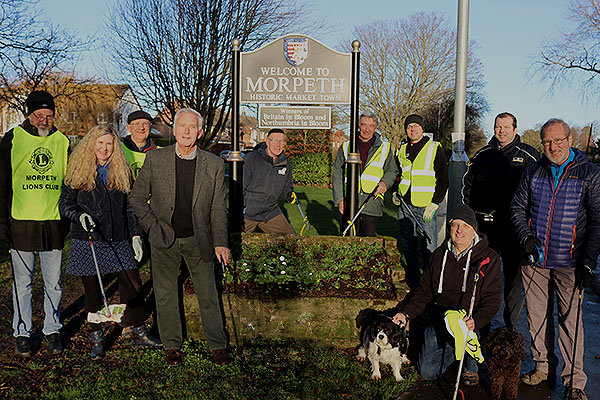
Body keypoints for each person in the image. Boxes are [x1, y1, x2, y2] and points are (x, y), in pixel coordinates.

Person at [130, 108, 231, 366]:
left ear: (200, 132)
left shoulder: (215, 165)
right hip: (165, 239)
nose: (187, 131)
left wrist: (221, 242)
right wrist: (153, 227)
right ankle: (172, 345)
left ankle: (217, 345)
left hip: (200, 239)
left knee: (208, 292)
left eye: (192, 127)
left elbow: (219, 207)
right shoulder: (156, 160)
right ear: (173, 130)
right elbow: (137, 199)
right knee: (165, 294)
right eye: (182, 126)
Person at [511, 118, 600, 400]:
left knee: (570, 322)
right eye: (547, 141)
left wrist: (588, 262)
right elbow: (516, 207)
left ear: (569, 139)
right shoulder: (534, 170)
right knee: (537, 318)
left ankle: (574, 381)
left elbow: (598, 220)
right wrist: (526, 237)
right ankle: (542, 367)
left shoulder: (589, 173)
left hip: (571, 262)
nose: (553, 146)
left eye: (558, 140)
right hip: (535, 261)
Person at [59, 125, 161, 360]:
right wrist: (79, 216)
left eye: (109, 144)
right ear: (91, 144)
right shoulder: (78, 170)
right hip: (89, 238)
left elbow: (129, 207)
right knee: (93, 292)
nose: (105, 148)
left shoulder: (121, 170)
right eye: (101, 143)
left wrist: (135, 235)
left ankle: (138, 330)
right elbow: (65, 203)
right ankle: (97, 337)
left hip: (119, 237)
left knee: (134, 285)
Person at [392, 204, 502, 386]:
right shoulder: (438, 256)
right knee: (427, 371)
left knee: (472, 342)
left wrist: (477, 320)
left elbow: (493, 300)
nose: (459, 230)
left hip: (470, 324)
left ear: (474, 230)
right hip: (441, 320)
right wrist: (406, 313)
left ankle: (469, 356)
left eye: (465, 226)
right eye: (455, 225)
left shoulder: (488, 259)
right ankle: (456, 349)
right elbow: (424, 292)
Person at [0, 90, 69, 357]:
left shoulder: (62, 141)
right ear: (30, 114)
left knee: (54, 283)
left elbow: (70, 184)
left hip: (52, 223)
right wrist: (2, 223)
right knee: (23, 284)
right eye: (39, 115)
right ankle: (22, 332)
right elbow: (2, 183)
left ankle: (52, 330)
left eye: (48, 115)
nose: (44, 120)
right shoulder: (12, 139)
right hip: (20, 222)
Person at [461, 112, 540, 329]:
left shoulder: (530, 157)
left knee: (513, 283)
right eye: (498, 126)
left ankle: (510, 329)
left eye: (506, 127)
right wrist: (469, 218)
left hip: (515, 231)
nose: (501, 131)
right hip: (486, 229)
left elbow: (540, 193)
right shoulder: (482, 156)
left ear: (515, 129)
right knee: (483, 278)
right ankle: (480, 326)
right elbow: (466, 188)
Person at [394, 114, 448, 290]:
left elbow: (443, 180)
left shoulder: (434, 148)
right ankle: (413, 280)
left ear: (422, 129)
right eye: (409, 126)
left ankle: (431, 283)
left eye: (416, 126)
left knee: (429, 247)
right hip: (404, 205)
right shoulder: (402, 150)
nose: (413, 129)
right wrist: (395, 191)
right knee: (408, 245)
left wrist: (435, 203)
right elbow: (398, 174)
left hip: (426, 206)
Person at [331, 111, 398, 236]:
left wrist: (384, 183)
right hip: (349, 200)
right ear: (358, 126)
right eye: (363, 125)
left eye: (371, 126)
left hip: (371, 201)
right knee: (346, 242)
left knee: (367, 244)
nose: (367, 129)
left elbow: (392, 170)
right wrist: (340, 199)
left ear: (375, 127)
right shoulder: (346, 146)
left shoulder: (384, 147)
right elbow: (337, 173)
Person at [243, 128, 295, 234]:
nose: (278, 144)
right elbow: (240, 186)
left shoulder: (285, 163)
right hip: (248, 212)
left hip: (271, 212)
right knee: (231, 244)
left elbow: (287, 186)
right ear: (267, 141)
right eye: (275, 140)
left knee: (291, 241)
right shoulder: (252, 158)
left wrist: (289, 194)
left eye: (282, 141)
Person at [122, 110, 157, 178]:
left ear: (151, 127)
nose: (141, 128)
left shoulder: (160, 151)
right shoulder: (119, 148)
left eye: (145, 123)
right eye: (136, 123)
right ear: (129, 128)